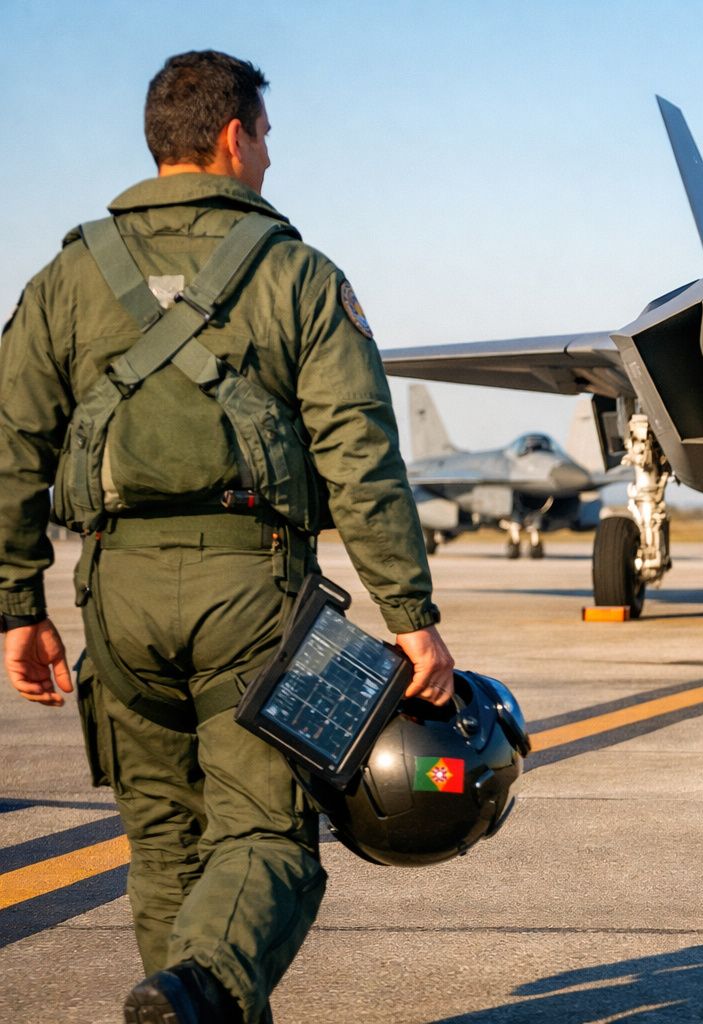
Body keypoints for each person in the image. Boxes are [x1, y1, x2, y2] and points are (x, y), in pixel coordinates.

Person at [0, 51, 454, 1023]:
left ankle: (186, 998)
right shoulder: (296, 276)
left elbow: (10, 447)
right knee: (269, 841)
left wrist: (15, 607)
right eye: (268, 141)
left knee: (164, 842)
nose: (271, 164)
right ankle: (202, 987)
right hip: (252, 603)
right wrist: (410, 617)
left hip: (113, 598)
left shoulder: (67, 277)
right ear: (234, 137)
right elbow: (358, 453)